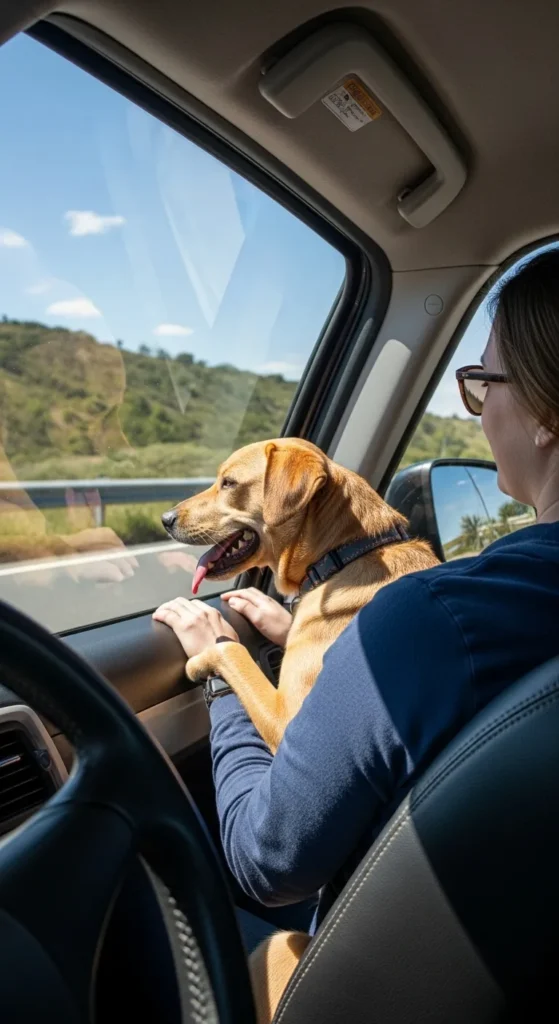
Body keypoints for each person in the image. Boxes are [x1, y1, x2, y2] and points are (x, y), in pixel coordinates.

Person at [153, 250, 559, 1000]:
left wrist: (222, 670)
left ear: (545, 413)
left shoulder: (434, 617)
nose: (479, 408)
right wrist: (310, 644)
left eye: (482, 384)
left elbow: (267, 860)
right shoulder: (487, 609)